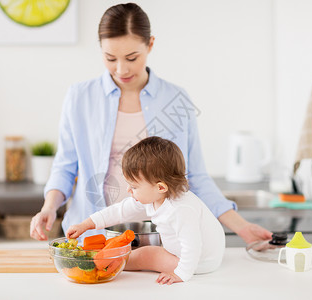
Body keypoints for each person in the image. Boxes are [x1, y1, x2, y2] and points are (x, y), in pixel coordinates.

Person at [30, 3, 272, 244]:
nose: (121, 69)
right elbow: (65, 167)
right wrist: (49, 207)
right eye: (110, 58)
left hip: (161, 239)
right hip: (92, 236)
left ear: (150, 45)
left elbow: (194, 176)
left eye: (131, 57)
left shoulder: (176, 100)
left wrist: (242, 228)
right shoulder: (80, 97)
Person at [67, 136, 225, 284]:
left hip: (201, 261)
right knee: (144, 254)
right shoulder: (154, 196)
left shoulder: (181, 209)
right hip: (186, 254)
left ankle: (103, 265)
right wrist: (86, 224)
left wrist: (180, 274)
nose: (129, 190)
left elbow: (193, 245)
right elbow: (119, 211)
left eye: (134, 186)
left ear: (161, 187)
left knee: (147, 255)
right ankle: (107, 262)